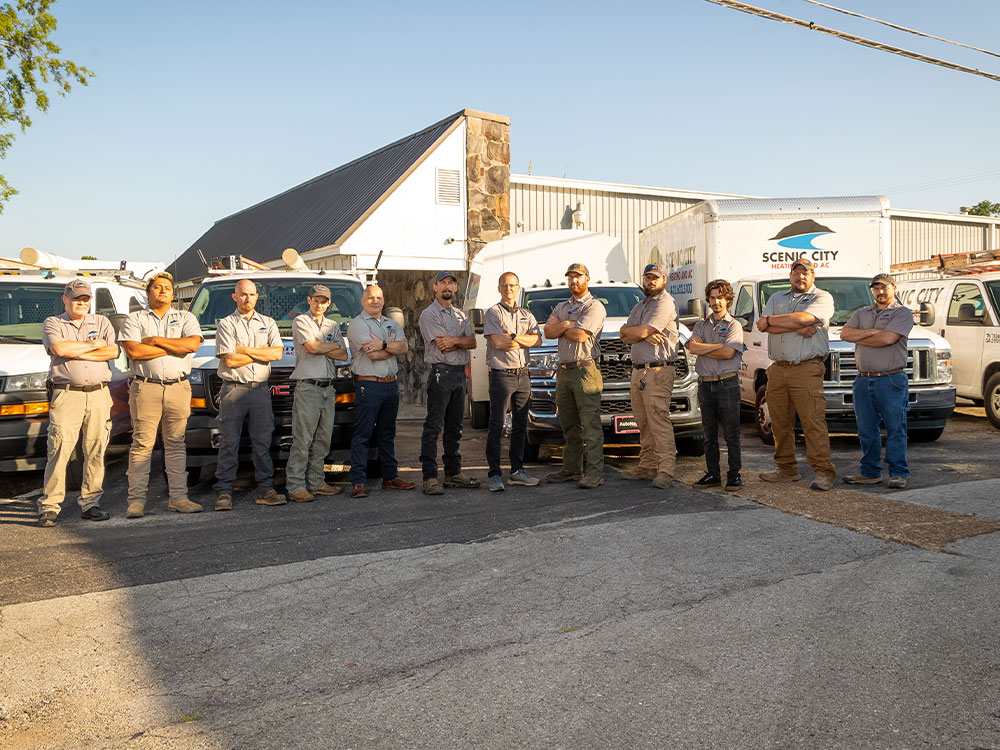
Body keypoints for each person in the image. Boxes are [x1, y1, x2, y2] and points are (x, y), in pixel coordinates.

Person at [119, 271, 203, 517]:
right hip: (146, 387)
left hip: (178, 387)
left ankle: (179, 498)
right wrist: (173, 349)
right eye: (157, 287)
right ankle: (136, 501)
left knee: (176, 443)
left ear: (173, 293)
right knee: (142, 444)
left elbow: (191, 345)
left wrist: (155, 341)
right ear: (148, 293)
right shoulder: (134, 319)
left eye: (167, 287)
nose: (163, 290)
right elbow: (134, 351)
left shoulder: (186, 317)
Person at [36, 279, 120, 527]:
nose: (81, 303)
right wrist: (93, 345)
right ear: (65, 299)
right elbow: (59, 349)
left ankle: (90, 504)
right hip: (67, 394)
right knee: (59, 450)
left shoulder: (102, 321)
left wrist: (78, 350)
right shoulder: (53, 322)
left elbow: (112, 352)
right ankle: (50, 507)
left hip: (99, 394)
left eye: (85, 299)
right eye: (76, 298)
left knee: (96, 450)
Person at [756, 258, 837, 491]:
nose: (800, 277)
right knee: (779, 423)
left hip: (806, 368)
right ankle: (786, 469)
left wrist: (775, 321)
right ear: (789, 275)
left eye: (806, 273)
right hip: (778, 368)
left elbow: (803, 318)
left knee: (812, 422)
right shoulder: (775, 298)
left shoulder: (822, 298)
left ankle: (823, 472)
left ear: (813, 276)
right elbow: (762, 325)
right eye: (796, 273)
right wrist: (796, 326)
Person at [213, 278, 286, 510]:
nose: (248, 298)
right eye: (243, 294)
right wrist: (260, 353)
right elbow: (230, 359)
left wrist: (244, 350)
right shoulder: (226, 324)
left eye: (252, 294)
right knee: (229, 442)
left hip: (260, 391)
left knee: (263, 442)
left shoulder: (268, 322)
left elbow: (277, 354)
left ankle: (265, 489)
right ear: (235, 297)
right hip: (233, 390)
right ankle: (224, 492)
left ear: (257, 297)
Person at [840, 273, 914, 489]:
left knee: (895, 428)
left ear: (894, 288)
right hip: (863, 380)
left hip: (891, 380)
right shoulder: (862, 312)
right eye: (876, 288)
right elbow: (845, 334)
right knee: (866, 430)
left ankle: (898, 473)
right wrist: (874, 332)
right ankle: (870, 472)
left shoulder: (902, 313)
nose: (880, 292)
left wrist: (862, 335)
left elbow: (888, 339)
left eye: (885, 287)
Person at [346, 284, 415, 498]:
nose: (375, 301)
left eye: (378, 297)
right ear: (362, 301)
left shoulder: (391, 323)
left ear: (384, 300)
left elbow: (404, 348)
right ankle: (358, 482)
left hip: (390, 385)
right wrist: (391, 347)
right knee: (363, 434)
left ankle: (390, 477)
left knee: (387, 434)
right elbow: (372, 355)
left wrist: (382, 344)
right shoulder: (356, 325)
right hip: (369, 385)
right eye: (370, 298)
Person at [543, 262, 607, 489]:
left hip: (585, 371)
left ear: (587, 279)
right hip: (564, 371)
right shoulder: (561, 306)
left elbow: (581, 335)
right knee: (569, 424)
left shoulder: (594, 306)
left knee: (590, 424)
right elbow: (548, 331)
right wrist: (566, 325)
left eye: (578, 277)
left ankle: (595, 472)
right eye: (570, 277)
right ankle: (571, 469)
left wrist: (563, 326)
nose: (574, 281)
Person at [418, 271, 480, 495]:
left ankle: (453, 473)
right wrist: (459, 342)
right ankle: (430, 477)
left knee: (455, 428)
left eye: (451, 283)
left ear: (455, 288)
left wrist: (455, 341)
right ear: (435, 287)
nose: (447, 286)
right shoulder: (429, 314)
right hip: (441, 374)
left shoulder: (460, 314)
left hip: (458, 374)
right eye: (442, 282)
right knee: (434, 427)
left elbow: (472, 342)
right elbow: (441, 346)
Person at [618, 263, 679, 489]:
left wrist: (640, 333)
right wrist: (638, 334)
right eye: (647, 278)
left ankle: (665, 471)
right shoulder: (641, 305)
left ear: (664, 279)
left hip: (658, 370)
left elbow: (641, 331)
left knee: (658, 421)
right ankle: (647, 465)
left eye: (655, 278)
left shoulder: (665, 303)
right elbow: (623, 332)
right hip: (638, 370)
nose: (650, 281)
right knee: (642, 421)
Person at [286, 284, 348, 502]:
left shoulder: (333, 325)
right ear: (309, 300)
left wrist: (322, 346)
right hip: (308, 387)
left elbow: (343, 355)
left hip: (328, 388)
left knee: (323, 440)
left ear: (329, 303)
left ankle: (317, 482)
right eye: (316, 300)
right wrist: (328, 346)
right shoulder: (301, 321)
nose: (320, 304)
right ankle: (295, 486)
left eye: (324, 301)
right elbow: (311, 348)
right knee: (303, 439)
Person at [483, 271, 542, 492]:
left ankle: (517, 471)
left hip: (523, 374)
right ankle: (495, 474)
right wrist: (522, 340)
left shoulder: (527, 313)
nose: (509, 289)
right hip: (501, 375)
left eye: (513, 285)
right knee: (497, 425)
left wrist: (514, 338)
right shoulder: (493, 313)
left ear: (518, 288)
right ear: (499, 289)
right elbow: (498, 342)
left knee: (520, 425)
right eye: (505, 285)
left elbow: (538, 340)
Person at [687, 279, 745, 491]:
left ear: (727, 299)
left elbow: (729, 353)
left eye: (720, 297)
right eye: (712, 297)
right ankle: (713, 474)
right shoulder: (701, 325)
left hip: (727, 384)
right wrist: (717, 346)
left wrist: (706, 347)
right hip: (705, 385)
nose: (716, 302)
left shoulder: (734, 326)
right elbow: (693, 348)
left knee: (731, 433)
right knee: (709, 434)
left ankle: (734, 475)